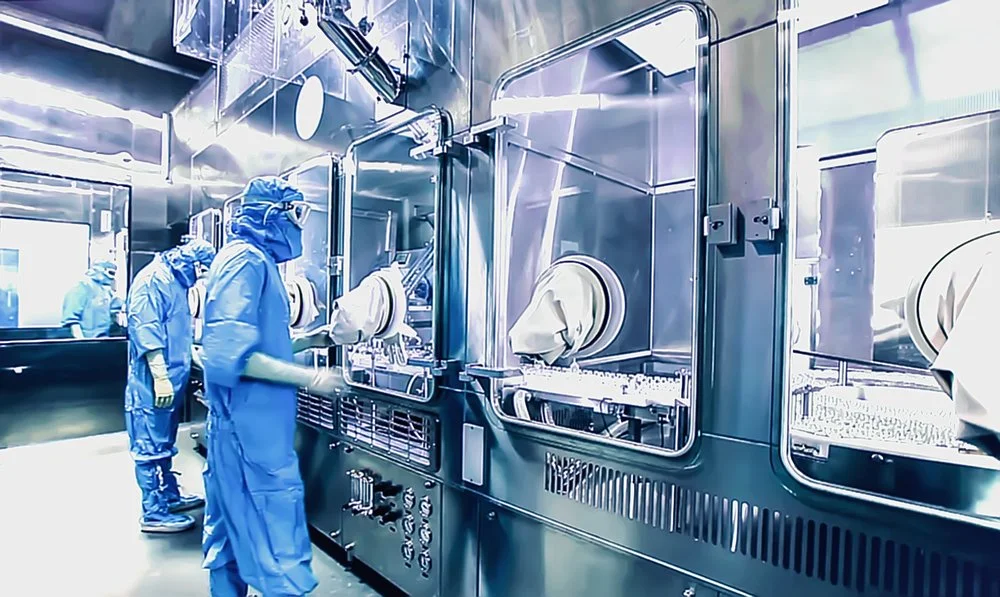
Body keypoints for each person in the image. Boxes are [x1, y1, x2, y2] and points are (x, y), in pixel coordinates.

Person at [201, 176, 343, 596]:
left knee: (230, 535)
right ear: (270, 215)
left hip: (243, 428)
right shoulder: (244, 262)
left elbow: (258, 342)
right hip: (250, 434)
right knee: (276, 543)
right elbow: (232, 355)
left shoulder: (255, 261)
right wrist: (311, 377)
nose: (300, 225)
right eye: (296, 214)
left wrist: (311, 339)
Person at [125, 238, 217, 533]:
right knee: (149, 446)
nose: (200, 279)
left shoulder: (176, 282)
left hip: (172, 378)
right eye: (202, 271)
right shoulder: (152, 280)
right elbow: (146, 329)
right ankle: (153, 513)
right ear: (192, 263)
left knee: (163, 442)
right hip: (151, 383)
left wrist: (198, 359)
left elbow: (178, 333)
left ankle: (168, 496)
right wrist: (160, 376)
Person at [62, 260, 123, 338]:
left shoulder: (106, 291)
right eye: (111, 273)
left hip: (103, 339)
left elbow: (114, 311)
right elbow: (72, 322)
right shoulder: (81, 288)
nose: (112, 278)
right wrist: (82, 341)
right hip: (87, 339)